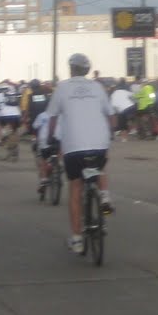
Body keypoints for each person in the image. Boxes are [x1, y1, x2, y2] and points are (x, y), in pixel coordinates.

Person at [48, 53, 116, 254]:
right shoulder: (98, 87)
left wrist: (52, 138)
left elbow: (52, 117)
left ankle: (77, 239)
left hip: (73, 147)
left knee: (76, 188)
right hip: (99, 144)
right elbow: (111, 116)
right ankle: (104, 197)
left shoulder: (62, 88)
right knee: (100, 165)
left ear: (71, 69)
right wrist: (111, 134)